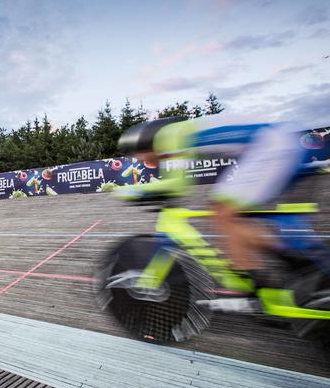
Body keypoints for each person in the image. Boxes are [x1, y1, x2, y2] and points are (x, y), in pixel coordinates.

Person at [116, 114, 309, 297]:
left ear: (146, 142)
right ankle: (292, 262)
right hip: (278, 142)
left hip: (271, 145)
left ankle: (261, 285)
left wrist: (128, 191)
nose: (139, 160)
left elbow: (177, 184)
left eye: (137, 154)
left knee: (223, 210)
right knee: (227, 212)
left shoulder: (168, 136)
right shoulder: (181, 134)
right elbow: (181, 184)